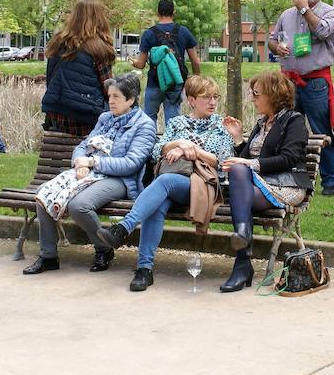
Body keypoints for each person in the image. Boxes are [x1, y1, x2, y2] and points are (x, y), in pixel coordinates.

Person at [97, 75, 234, 292]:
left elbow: (223, 162)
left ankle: (124, 227)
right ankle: (144, 269)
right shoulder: (177, 123)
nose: (213, 102)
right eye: (206, 97)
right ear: (191, 100)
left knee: (165, 181)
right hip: (173, 185)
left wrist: (193, 151)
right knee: (158, 203)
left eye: (215, 97)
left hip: (202, 184)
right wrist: (178, 143)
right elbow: (154, 151)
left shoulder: (220, 126)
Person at [23, 74, 157, 275]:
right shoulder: (105, 119)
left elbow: (131, 164)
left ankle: (103, 248)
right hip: (88, 172)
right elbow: (83, 146)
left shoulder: (144, 125)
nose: (110, 101)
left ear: (130, 99)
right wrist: (79, 163)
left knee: (80, 206)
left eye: (116, 97)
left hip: (119, 179)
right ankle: (48, 256)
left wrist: (93, 162)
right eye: (109, 96)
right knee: (44, 194)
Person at [220, 71, 311, 292]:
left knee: (240, 179)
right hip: (258, 184)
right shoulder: (262, 123)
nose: (252, 98)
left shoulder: (294, 121)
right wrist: (239, 139)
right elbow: (249, 160)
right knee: (239, 176)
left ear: (273, 94)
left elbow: (288, 159)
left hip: (287, 185)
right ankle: (242, 245)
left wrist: (250, 164)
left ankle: (242, 261)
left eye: (256, 93)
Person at [267, 0, 334, 196]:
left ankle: (329, 183)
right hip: (289, 83)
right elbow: (271, 40)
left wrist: (304, 9)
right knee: (287, 132)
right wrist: (276, 48)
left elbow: (322, 30)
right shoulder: (286, 15)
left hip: (315, 82)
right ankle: (292, 178)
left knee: (320, 132)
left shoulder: (330, 12)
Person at [42, 0, 116, 136]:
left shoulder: (58, 42)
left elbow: (50, 79)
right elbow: (108, 88)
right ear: (99, 18)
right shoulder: (98, 47)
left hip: (58, 112)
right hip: (86, 117)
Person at [132, 0, 201, 126]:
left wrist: (134, 63)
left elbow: (141, 64)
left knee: (148, 120)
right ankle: (172, 145)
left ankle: (148, 145)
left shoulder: (148, 33)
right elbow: (195, 61)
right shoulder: (184, 31)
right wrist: (196, 78)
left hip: (154, 83)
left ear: (157, 12)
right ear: (174, 12)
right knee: (173, 122)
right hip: (175, 83)